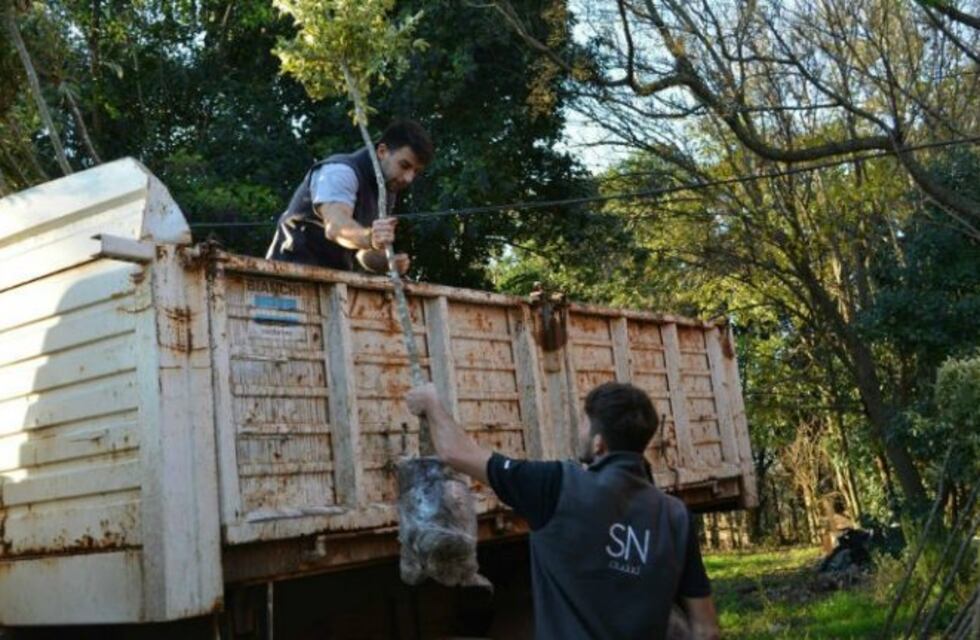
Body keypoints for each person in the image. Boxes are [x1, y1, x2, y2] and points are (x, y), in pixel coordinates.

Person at [404, 381, 721, 640]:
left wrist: (431, 402)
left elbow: (456, 452)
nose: (579, 430)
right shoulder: (676, 516)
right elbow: (706, 631)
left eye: (584, 423)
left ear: (598, 444)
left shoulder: (555, 485)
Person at [266, 119, 433, 274]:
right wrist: (371, 238)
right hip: (286, 275)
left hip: (333, 280)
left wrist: (388, 262)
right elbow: (335, 228)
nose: (409, 178)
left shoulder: (387, 189)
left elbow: (362, 252)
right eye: (404, 165)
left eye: (416, 171)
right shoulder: (340, 171)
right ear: (382, 151)